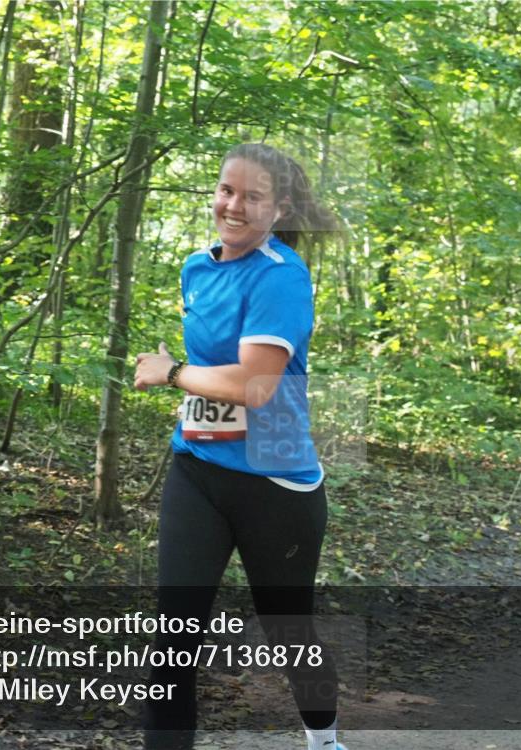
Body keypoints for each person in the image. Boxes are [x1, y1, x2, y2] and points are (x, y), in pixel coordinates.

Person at [134, 143, 347, 750]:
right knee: (174, 635)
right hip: (198, 467)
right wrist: (193, 388)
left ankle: (324, 739)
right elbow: (217, 373)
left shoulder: (283, 277)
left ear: (279, 208)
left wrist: (171, 372)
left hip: (275, 478)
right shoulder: (195, 268)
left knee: (287, 630)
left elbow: (254, 386)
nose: (234, 205)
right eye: (227, 190)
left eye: (252, 197)